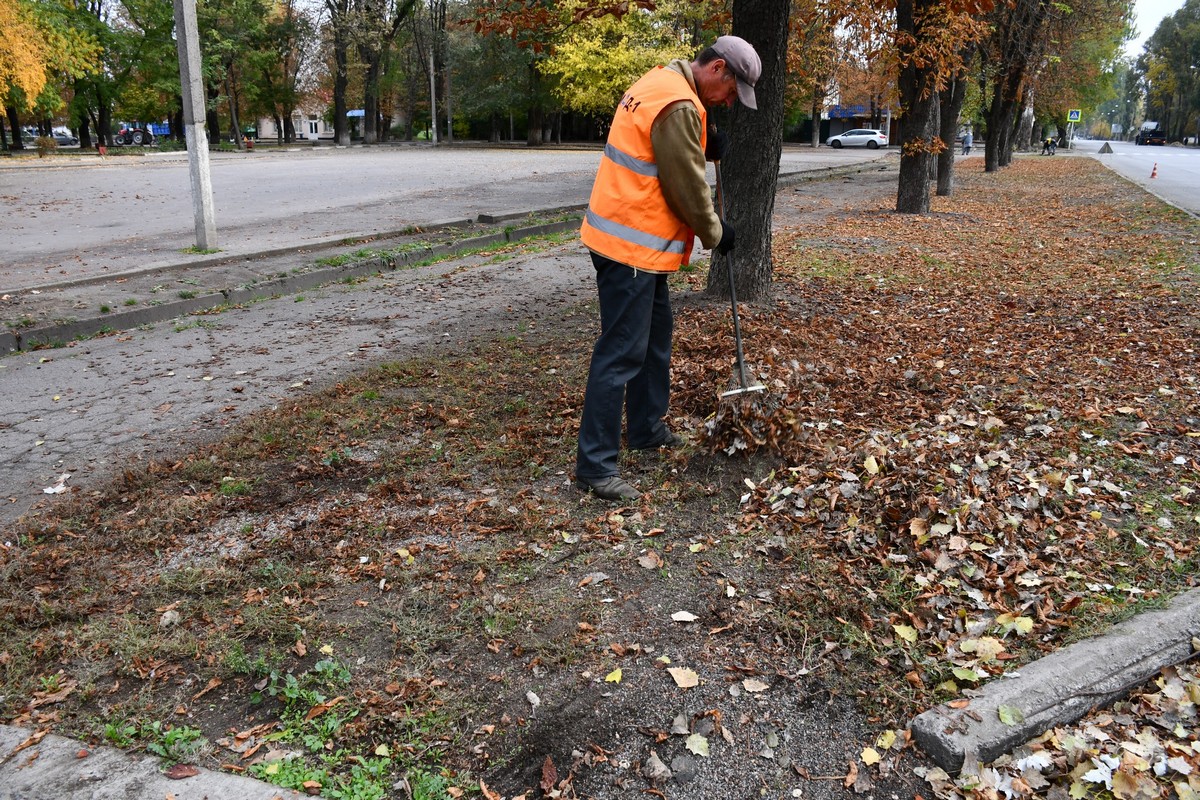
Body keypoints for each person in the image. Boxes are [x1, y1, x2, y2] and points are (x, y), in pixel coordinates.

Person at [574, 35, 762, 501]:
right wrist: (717, 232)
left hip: (635, 243)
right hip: (629, 246)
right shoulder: (679, 104)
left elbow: (668, 152)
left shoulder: (663, 80)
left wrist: (703, 140)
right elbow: (687, 187)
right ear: (717, 68)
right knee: (621, 350)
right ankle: (595, 466)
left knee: (655, 338)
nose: (729, 103)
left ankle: (645, 428)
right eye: (731, 92)